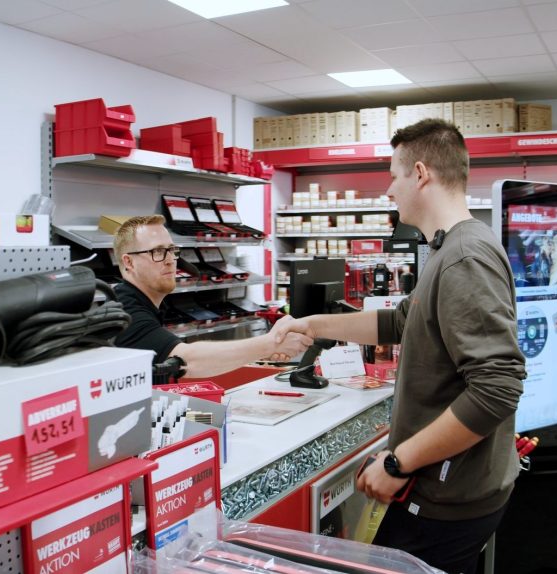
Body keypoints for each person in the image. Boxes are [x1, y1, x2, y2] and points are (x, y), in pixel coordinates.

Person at [272, 119, 526, 574]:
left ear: (422, 174)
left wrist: (397, 461)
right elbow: (400, 321)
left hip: (449, 494)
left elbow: (497, 388)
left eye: (394, 175)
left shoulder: (464, 258)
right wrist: (313, 323)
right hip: (452, 485)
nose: (389, 190)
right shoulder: (453, 247)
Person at [111, 214, 313, 378]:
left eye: (172, 250)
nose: (171, 260)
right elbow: (186, 362)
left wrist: (265, 349)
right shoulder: (124, 314)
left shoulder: (147, 304)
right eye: (157, 251)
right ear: (129, 262)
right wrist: (270, 344)